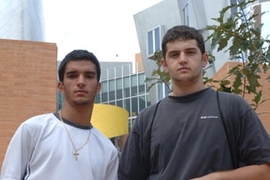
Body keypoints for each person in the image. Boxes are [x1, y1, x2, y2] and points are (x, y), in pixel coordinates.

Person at [118, 25, 270, 180]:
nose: (182, 59)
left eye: (190, 52)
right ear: (164, 64)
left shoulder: (233, 107)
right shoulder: (147, 119)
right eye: (174, 55)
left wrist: (215, 178)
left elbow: (265, 171)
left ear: (204, 59)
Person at [0, 50, 119, 180]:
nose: (81, 82)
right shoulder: (33, 129)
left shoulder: (108, 150)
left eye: (89, 76)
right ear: (60, 86)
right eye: (72, 76)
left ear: (98, 87)